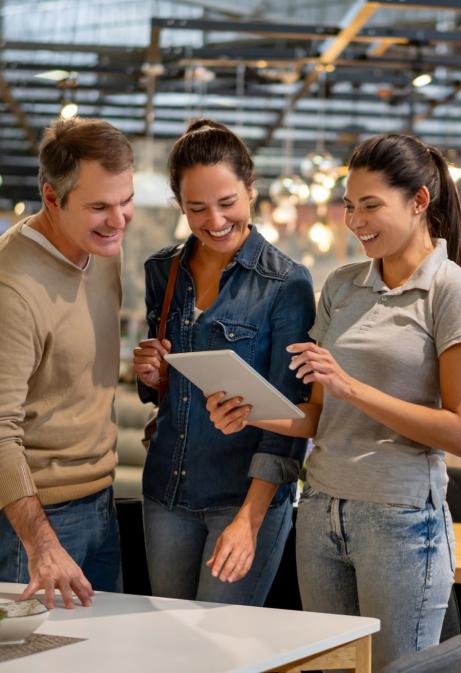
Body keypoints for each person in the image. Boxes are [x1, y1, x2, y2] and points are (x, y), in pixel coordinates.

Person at [207, 133, 461, 670]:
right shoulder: (341, 285)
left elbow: (460, 435)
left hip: (402, 523)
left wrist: (351, 386)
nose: (356, 221)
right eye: (350, 206)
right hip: (320, 512)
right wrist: (251, 409)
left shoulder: (455, 291)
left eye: (371, 206)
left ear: (419, 201)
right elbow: (317, 415)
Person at [133, 119, 315, 605]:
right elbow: (163, 390)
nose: (214, 221)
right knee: (168, 644)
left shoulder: (286, 285)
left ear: (251, 190)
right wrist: (152, 375)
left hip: (243, 499)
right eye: (197, 208)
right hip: (165, 493)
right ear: (180, 205)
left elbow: (288, 420)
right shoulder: (162, 270)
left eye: (227, 203)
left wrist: (250, 519)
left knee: (222, 650)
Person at [0, 117, 134, 609]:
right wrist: (42, 544)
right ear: (51, 199)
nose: (118, 220)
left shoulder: (102, 251)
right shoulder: (11, 287)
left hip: (102, 502)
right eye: (99, 206)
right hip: (31, 524)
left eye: (126, 201)